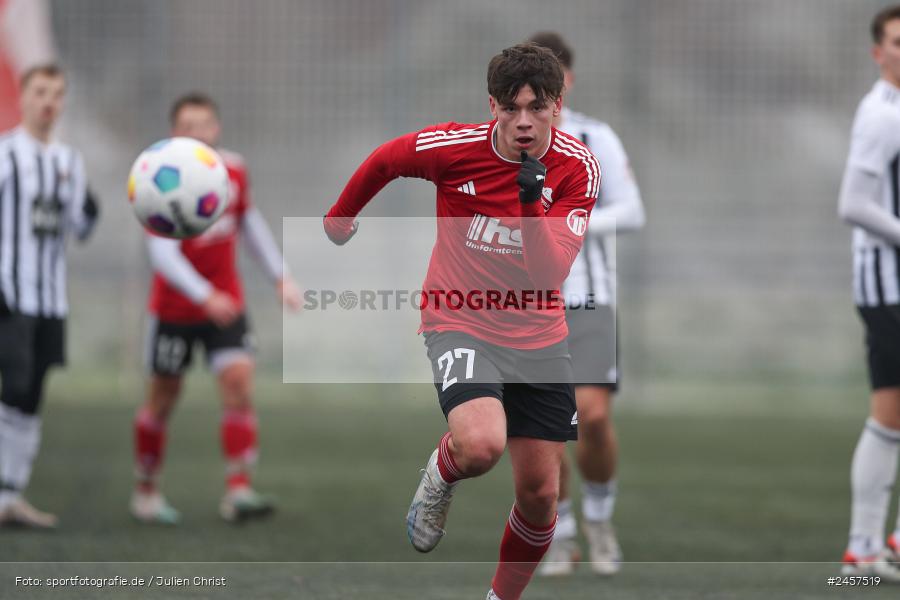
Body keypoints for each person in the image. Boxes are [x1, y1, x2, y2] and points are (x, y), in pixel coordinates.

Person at [325, 43, 600, 600]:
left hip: (539, 336)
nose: (524, 122)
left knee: (541, 494)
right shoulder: (455, 147)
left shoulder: (577, 167)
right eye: (511, 107)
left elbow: (548, 273)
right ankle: (442, 473)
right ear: (491, 105)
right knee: (480, 446)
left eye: (538, 107)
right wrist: (340, 215)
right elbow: (387, 159)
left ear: (558, 103)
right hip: (461, 318)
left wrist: (528, 204)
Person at [131, 92, 301, 525]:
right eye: (187, 126)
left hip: (227, 305)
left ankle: (238, 490)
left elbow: (249, 224)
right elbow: (161, 255)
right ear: (174, 133)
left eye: (204, 125)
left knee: (239, 383)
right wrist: (204, 295)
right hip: (175, 310)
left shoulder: (233, 170)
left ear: (216, 128)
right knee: (163, 398)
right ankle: (146, 491)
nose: (197, 133)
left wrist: (280, 276)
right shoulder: (154, 173)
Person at [527, 32, 645, 577]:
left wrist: (572, 224)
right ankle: (562, 531)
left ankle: (600, 520)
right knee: (548, 429)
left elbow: (632, 212)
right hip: (529, 306)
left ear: (566, 83)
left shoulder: (597, 138)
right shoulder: (504, 142)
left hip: (590, 299)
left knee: (592, 417)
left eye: (551, 80)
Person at [0, 64, 99, 528]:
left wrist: (91, 211)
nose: (49, 102)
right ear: (23, 96)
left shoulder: (70, 162)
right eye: (41, 92)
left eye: (57, 94)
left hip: (50, 299)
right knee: (13, 388)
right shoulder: (5, 155)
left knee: (32, 393)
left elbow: (78, 230)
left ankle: (11, 494)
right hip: (8, 294)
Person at [837, 5, 900, 581]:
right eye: (897, 42)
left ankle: (878, 545)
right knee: (890, 411)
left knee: (893, 412)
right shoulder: (882, 114)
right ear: (877, 51)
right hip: (889, 283)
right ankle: (866, 544)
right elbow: (853, 204)